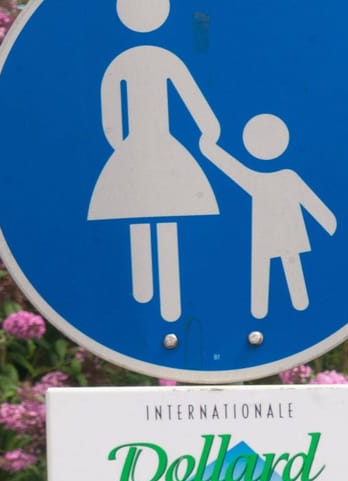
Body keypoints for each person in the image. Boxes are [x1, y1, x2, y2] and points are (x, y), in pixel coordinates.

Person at [88, 0, 224, 323]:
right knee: (163, 217)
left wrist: (124, 148)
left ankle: (147, 294)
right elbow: (195, 101)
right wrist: (210, 130)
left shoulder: (121, 63)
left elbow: (111, 119)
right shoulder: (164, 59)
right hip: (160, 146)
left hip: (136, 148)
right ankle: (164, 302)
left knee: (139, 212)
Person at [199, 115, 337, 319]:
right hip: (270, 232)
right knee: (275, 266)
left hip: (280, 231)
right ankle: (265, 311)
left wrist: (328, 221)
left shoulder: (275, 178)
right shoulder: (274, 178)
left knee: (282, 266)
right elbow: (232, 169)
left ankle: (277, 309)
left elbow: (310, 200)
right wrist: (210, 150)